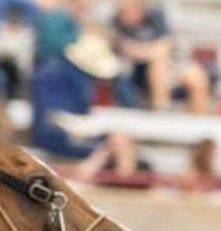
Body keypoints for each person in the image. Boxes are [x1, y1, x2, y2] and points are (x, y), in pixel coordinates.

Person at [27, 22, 138, 182]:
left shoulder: (61, 72)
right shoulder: (55, 75)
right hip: (56, 136)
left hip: (68, 133)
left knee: (119, 141)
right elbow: (52, 121)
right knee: (116, 144)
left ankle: (103, 177)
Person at [111, 0, 210, 114]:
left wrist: (151, 51)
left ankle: (197, 121)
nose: (129, 15)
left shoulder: (154, 20)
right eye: (124, 12)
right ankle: (161, 108)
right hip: (140, 73)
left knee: (196, 76)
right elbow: (127, 49)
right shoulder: (118, 26)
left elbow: (165, 45)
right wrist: (152, 51)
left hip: (170, 68)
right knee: (158, 60)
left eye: (131, 11)